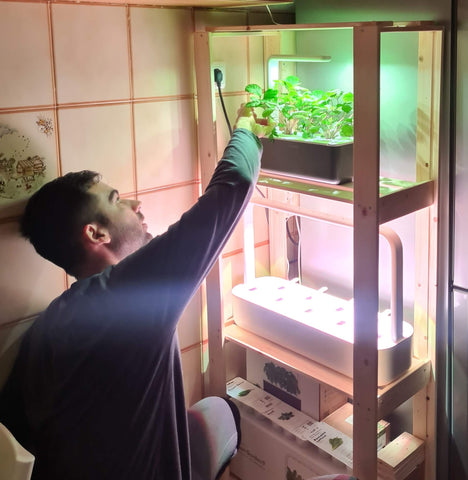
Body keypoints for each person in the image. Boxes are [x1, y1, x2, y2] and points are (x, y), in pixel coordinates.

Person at [0, 109, 263, 480]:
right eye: (117, 199)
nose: (136, 205)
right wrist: (247, 126)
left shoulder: (51, 322)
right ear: (95, 234)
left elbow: (18, 429)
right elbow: (232, 187)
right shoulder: (128, 296)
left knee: (222, 411)